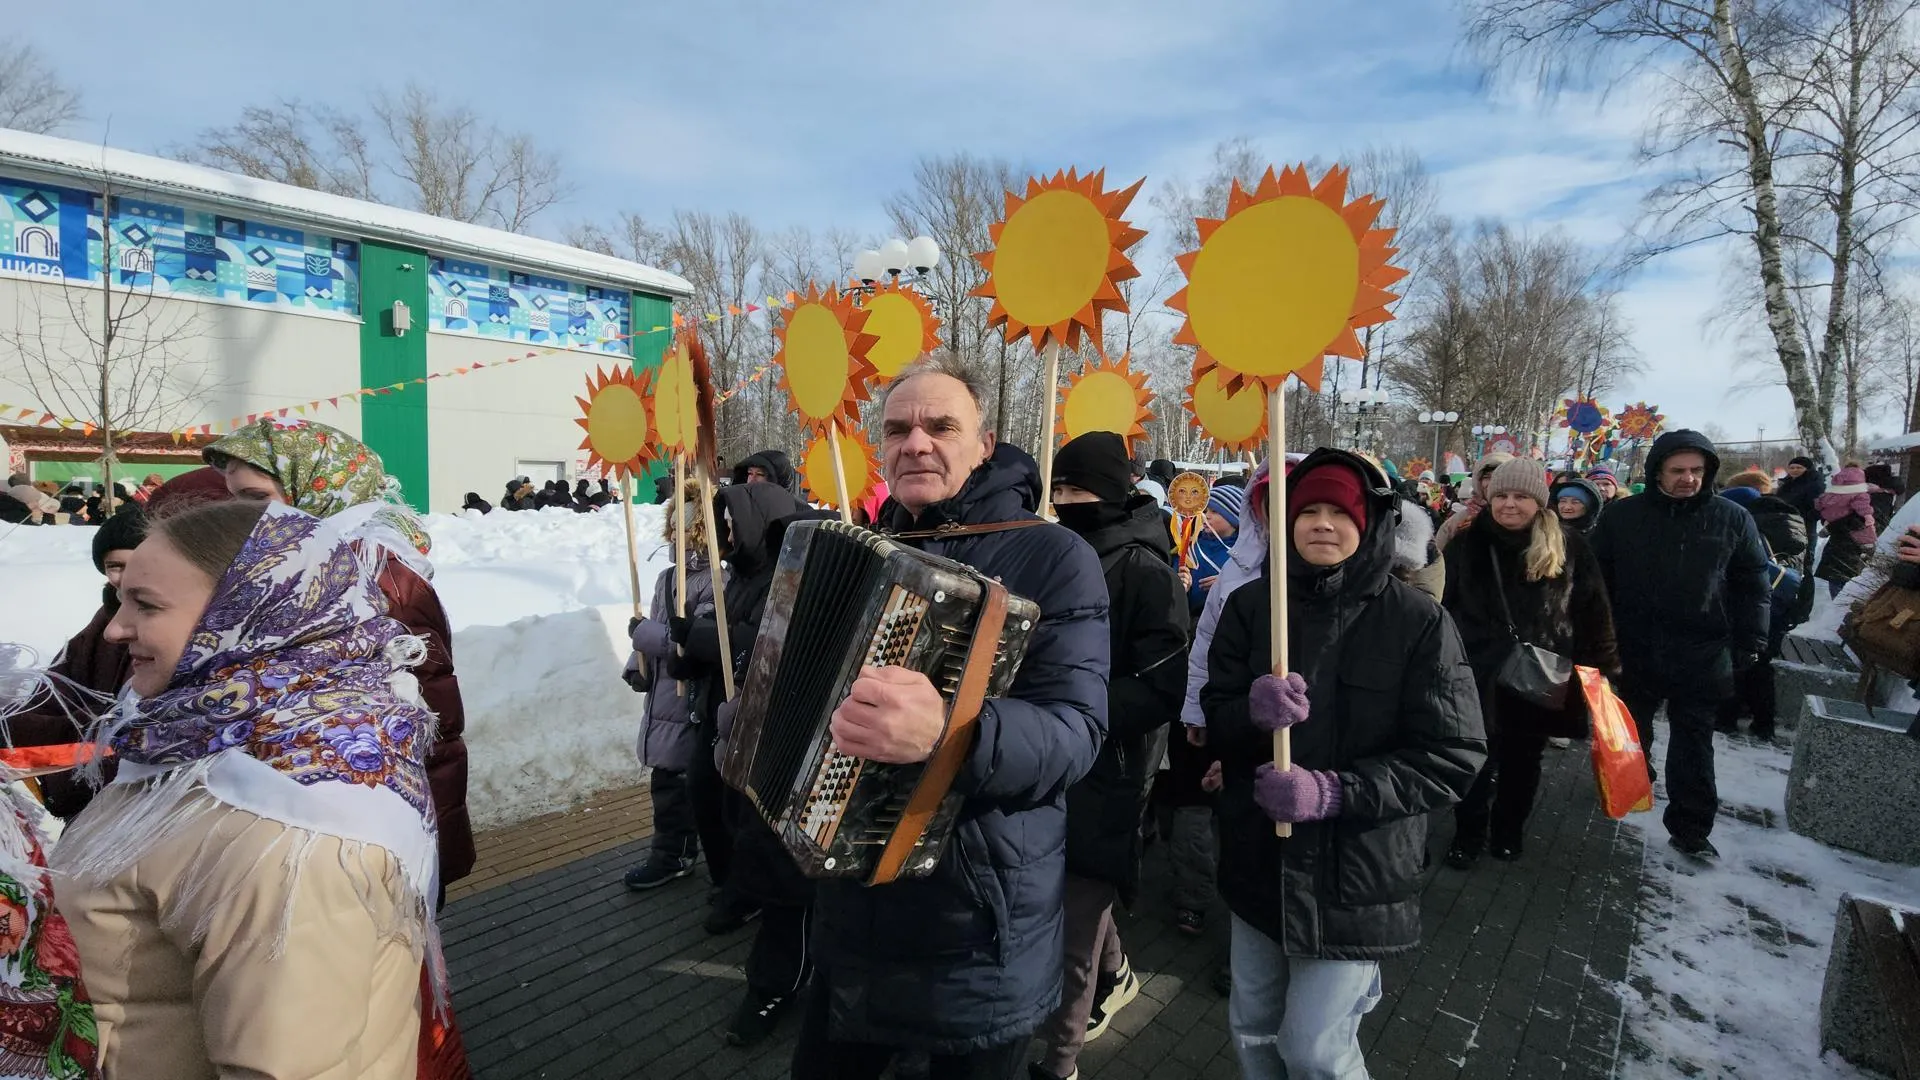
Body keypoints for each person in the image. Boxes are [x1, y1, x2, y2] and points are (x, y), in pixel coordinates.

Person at [794, 355, 1108, 1080]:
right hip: (853, 902)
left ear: (984, 442)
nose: (916, 443)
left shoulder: (1053, 553)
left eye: (942, 425)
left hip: (974, 914)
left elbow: (1074, 734)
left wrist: (949, 736)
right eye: (898, 428)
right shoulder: (862, 547)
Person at [50, 499, 435, 1078]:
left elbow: (287, 1066)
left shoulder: (290, 826)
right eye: (120, 595)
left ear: (248, 616)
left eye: (145, 605)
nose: (114, 628)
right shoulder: (197, 737)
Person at [1202, 449, 1485, 1079]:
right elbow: (1215, 714)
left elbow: (1452, 756)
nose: (1321, 524)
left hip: (1357, 875)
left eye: (1339, 512)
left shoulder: (1417, 622)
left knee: (1315, 1050)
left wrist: (1333, 793)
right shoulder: (1252, 608)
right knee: (1252, 1030)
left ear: (1370, 524)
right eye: (1307, 511)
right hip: (1258, 863)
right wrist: (1248, 715)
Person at [204, 418, 473, 895]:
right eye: (233, 498)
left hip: (365, 817)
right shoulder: (298, 563)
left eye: (255, 499)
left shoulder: (372, 571)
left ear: (314, 488)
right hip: (306, 809)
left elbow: (423, 713)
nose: (242, 516)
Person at [1033, 433, 1188, 1080]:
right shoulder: (1051, 552)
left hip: (1112, 762)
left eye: (1079, 490)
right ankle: (1118, 971)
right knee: (1078, 900)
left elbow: (1160, 684)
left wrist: (1079, 708)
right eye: (1059, 490)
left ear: (1114, 491)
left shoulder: (1145, 570)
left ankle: (1060, 1060)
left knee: (1074, 923)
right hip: (1048, 751)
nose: (1067, 502)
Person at [672, 478, 818, 1047]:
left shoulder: (796, 572)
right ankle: (741, 891)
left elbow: (771, 644)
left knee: (783, 866)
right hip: (733, 724)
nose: (725, 533)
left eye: (730, 521)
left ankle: (774, 982)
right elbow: (730, 648)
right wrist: (682, 647)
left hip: (779, 736)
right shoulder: (739, 575)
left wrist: (703, 637)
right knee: (720, 809)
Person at [1589, 430, 1770, 860]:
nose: (1688, 479)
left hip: (1702, 648)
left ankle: (1691, 827)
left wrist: (1751, 640)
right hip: (1634, 645)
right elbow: (1596, 582)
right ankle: (1632, 786)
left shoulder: (1732, 518)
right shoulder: (1622, 517)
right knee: (1633, 732)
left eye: (1696, 471)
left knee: (1694, 742)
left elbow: (1753, 583)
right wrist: (1594, 637)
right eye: (1678, 471)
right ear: (1657, 472)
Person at [1442, 458, 1619, 866]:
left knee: (1524, 761)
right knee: (1473, 759)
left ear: (1539, 501)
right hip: (1475, 672)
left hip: (1540, 673)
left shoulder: (1568, 545)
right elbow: (1442, 607)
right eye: (1501, 495)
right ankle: (1468, 835)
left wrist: (1602, 672)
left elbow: (1593, 611)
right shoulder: (1468, 543)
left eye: (1521, 496)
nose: (1509, 504)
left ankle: (1508, 831)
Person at [621, 483, 719, 890]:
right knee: (665, 779)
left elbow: (697, 641)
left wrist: (646, 637)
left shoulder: (714, 579)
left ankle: (675, 853)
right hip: (663, 697)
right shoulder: (667, 578)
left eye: (688, 526)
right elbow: (656, 627)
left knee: (678, 784)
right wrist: (636, 665)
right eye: (674, 525)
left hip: (690, 697)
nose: (679, 533)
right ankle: (673, 849)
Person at [1715, 470, 1807, 740]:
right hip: (1780, 603)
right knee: (1761, 664)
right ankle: (1763, 722)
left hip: (1748, 602)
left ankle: (1726, 718)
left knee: (1736, 661)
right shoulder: (1789, 517)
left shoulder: (1749, 523)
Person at [1816, 465, 1880, 598]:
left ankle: (1837, 605)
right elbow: (1860, 514)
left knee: (1837, 578)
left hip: (1838, 542)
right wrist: (1868, 516)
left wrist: (1829, 524)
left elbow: (1820, 506)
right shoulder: (1861, 495)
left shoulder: (1831, 495)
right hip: (1852, 544)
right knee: (1845, 579)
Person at [1776, 455, 1826, 625]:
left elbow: (1819, 508)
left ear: (1807, 469)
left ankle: (1803, 609)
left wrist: (1801, 516)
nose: (1795, 470)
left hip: (1804, 528)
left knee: (1804, 567)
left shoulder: (1814, 484)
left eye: (1799, 467)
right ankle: (1787, 606)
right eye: (1792, 467)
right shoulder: (1786, 484)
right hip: (1784, 528)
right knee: (1787, 564)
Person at [1187, 482, 1243, 620]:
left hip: (1227, 620)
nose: (1206, 516)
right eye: (1205, 511)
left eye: (1215, 511)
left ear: (1233, 517)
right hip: (1193, 621)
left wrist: (1227, 584)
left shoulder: (1245, 552)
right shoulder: (1191, 546)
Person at [1435, 453, 1512, 552]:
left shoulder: (1523, 518)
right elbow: (1438, 561)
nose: (1492, 482)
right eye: (1487, 477)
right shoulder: (1458, 522)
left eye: (1499, 476)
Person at [732, 449, 798, 492]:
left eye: (759, 474)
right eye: (750, 473)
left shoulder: (795, 509)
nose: (752, 479)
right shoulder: (736, 506)